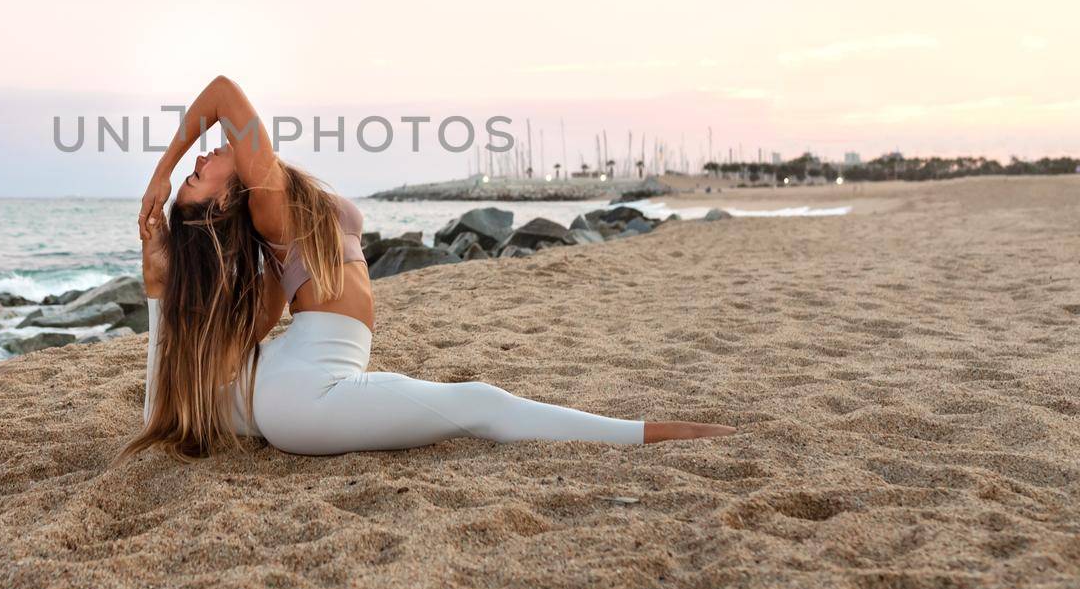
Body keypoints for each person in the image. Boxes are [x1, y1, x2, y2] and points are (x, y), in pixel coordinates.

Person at [115, 76, 735, 463]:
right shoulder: (270, 205)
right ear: (226, 200)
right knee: (480, 404)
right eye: (199, 174)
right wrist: (161, 175)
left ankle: (156, 291)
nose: (201, 156)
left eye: (192, 165)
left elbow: (246, 336)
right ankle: (647, 434)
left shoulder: (275, 235)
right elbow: (223, 93)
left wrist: (161, 292)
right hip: (308, 386)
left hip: (293, 374)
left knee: (184, 408)